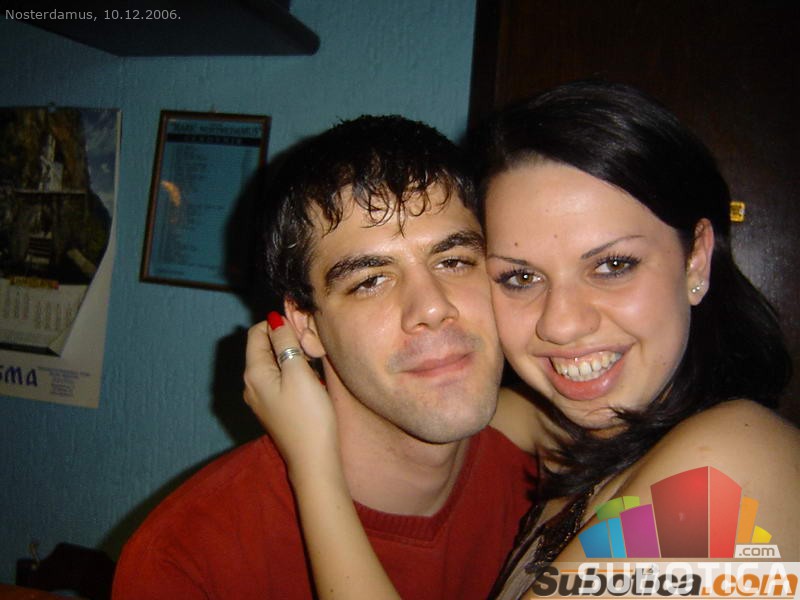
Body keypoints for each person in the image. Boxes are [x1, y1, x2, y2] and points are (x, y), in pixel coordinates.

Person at [244, 80, 800, 599]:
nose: (561, 324)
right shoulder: (579, 435)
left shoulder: (729, 469)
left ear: (695, 259)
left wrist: (311, 464)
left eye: (613, 265)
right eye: (520, 277)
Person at [112, 115, 538, 600]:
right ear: (305, 326)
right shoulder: (186, 564)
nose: (432, 307)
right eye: (370, 281)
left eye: (454, 260)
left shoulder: (559, 480)